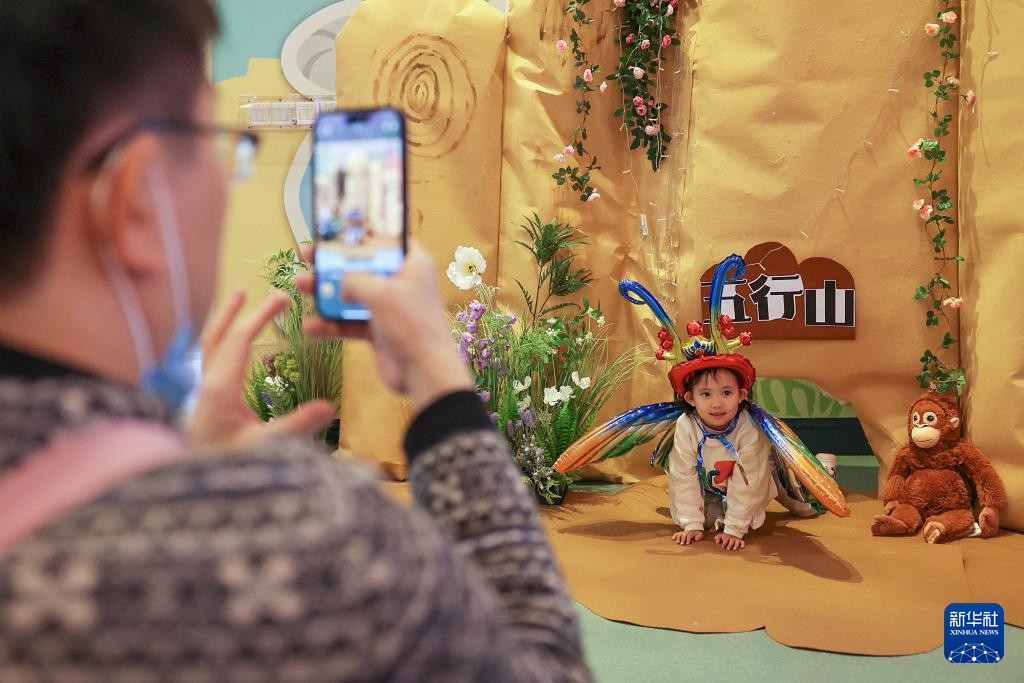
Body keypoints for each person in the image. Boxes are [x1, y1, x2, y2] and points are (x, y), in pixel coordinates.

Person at [0, 2, 591, 681]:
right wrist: (440, 381)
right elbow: (544, 666)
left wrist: (181, 467)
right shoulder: (317, 543)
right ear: (136, 199)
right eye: (219, 142)